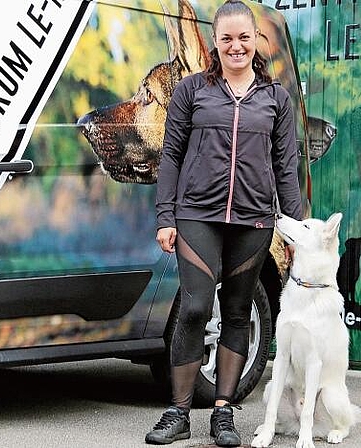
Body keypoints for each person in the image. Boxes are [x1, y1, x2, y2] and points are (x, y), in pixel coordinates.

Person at [145, 0, 303, 446]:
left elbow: (285, 169)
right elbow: (170, 156)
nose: (236, 46)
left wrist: (294, 232)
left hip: (254, 221)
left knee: (237, 311)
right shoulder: (192, 91)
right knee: (195, 307)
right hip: (197, 215)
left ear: (255, 42)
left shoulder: (275, 99)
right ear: (215, 42)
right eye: (227, 38)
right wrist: (166, 216)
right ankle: (177, 413)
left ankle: (223, 412)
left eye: (243, 38)